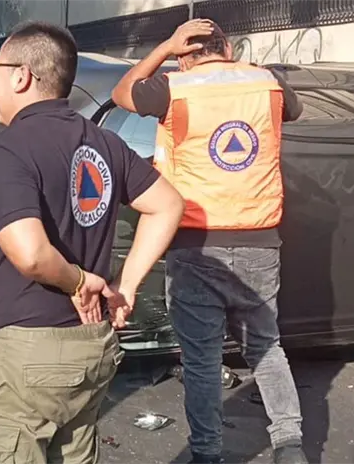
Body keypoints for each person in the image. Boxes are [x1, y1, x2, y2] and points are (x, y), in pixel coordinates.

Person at [0, 21, 184, 462]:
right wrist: (126, 287)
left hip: (27, 353)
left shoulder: (9, 148)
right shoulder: (103, 142)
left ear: (20, 75)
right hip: (90, 346)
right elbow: (167, 204)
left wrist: (80, 282)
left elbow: (31, 254)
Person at [111, 19, 307, 464]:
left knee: (201, 357)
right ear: (229, 47)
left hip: (196, 243)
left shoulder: (174, 87)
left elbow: (123, 93)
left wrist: (161, 48)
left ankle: (206, 453)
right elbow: (291, 111)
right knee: (265, 345)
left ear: (185, 53)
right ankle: (289, 444)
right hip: (260, 238)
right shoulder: (267, 82)